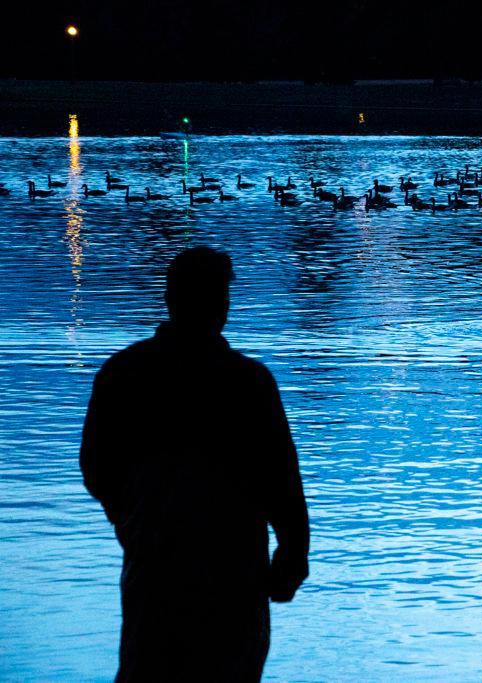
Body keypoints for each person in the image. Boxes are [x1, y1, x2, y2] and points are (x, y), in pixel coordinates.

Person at [80, 247, 309, 681]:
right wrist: (293, 553)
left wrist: (130, 517)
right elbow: (282, 481)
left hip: (155, 566)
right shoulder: (248, 382)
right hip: (234, 572)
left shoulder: (123, 373)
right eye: (220, 294)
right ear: (221, 303)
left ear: (170, 297)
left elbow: (95, 466)